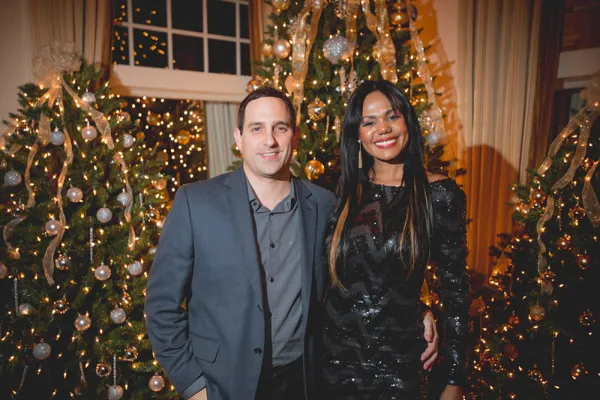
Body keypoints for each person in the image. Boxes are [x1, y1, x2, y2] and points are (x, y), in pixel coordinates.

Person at [145, 87, 439, 400]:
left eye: (280, 128)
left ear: (295, 136)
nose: (269, 140)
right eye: (256, 128)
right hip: (221, 385)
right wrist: (195, 387)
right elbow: (162, 307)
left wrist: (417, 309)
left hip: (302, 382)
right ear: (238, 137)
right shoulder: (196, 202)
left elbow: (358, 278)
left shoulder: (326, 205)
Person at [321, 80, 469, 400]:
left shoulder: (439, 195)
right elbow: (338, 279)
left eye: (392, 116)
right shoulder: (345, 192)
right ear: (357, 135)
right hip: (334, 364)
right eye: (369, 122)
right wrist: (422, 307)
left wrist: (456, 379)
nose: (383, 129)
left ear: (407, 123)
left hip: (399, 367)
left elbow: (456, 291)